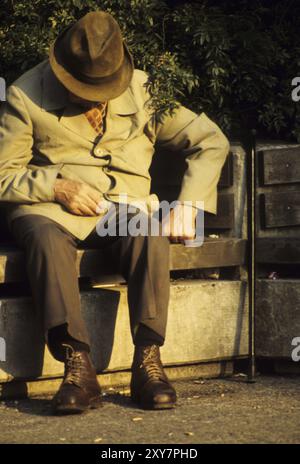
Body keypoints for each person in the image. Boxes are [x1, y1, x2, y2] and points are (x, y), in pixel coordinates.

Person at [0, 11, 229, 414]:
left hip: (122, 208)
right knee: (44, 240)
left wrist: (189, 205)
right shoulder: (24, 93)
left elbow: (210, 141)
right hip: (48, 208)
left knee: (148, 232)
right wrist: (55, 185)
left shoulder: (144, 90)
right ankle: (78, 367)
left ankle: (148, 361)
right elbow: (3, 174)